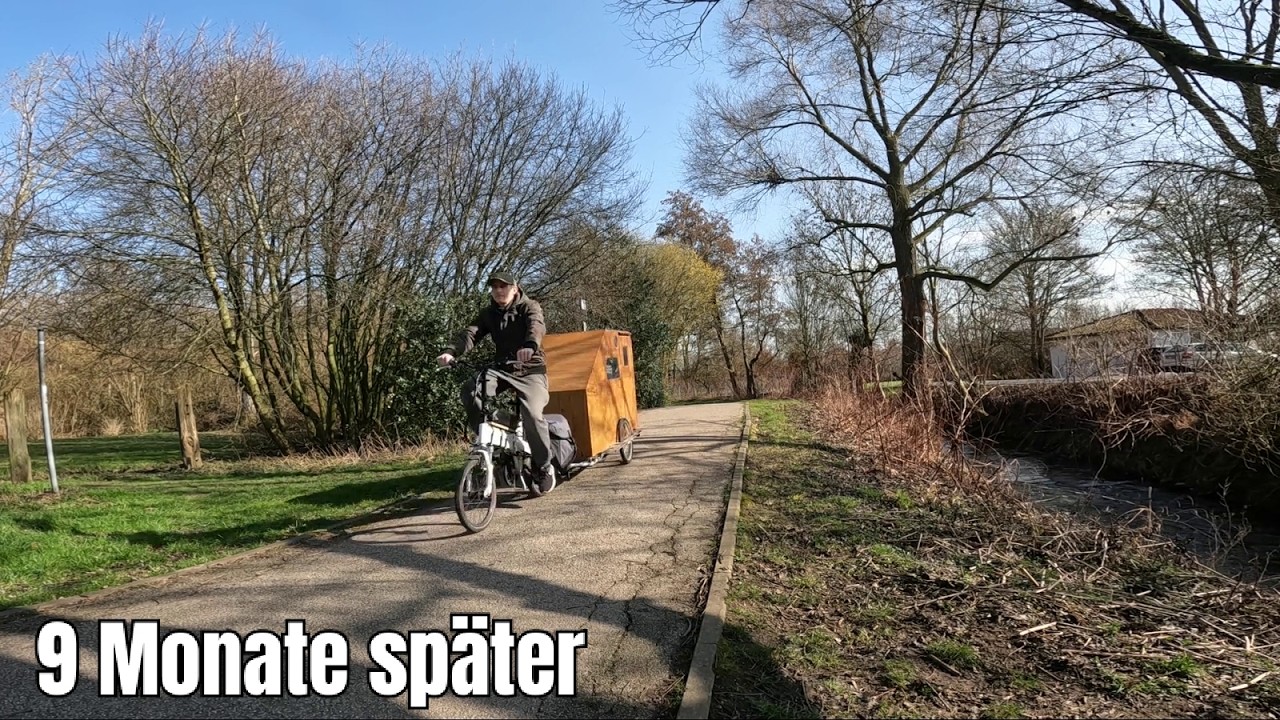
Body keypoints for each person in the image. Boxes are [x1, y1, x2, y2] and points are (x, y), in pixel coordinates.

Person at [437, 270, 556, 495]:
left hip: (531, 370)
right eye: (495, 287)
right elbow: (470, 334)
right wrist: (450, 351)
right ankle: (498, 429)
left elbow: (536, 326)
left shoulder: (529, 306)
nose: (499, 291)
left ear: (515, 288)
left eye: (504, 286)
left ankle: (543, 466)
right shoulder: (489, 313)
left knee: (532, 413)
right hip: (502, 370)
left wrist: (530, 345)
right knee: (471, 389)